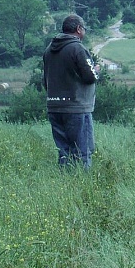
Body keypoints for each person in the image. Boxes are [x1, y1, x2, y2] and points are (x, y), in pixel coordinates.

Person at [43, 14, 100, 169]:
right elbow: (89, 77)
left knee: (64, 152)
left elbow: (45, 80)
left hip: (54, 107)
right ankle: (81, 188)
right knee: (82, 151)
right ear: (78, 29)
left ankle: (66, 183)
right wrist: (96, 70)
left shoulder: (49, 50)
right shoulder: (78, 48)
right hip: (76, 107)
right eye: (84, 29)